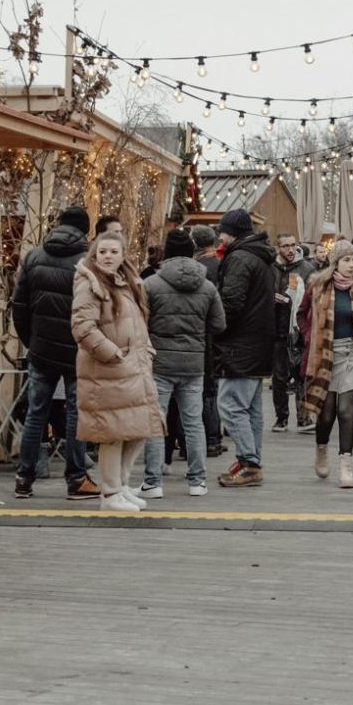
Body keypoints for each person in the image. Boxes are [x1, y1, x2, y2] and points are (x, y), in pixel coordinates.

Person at [10, 205, 99, 502]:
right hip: (78, 350)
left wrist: (30, 340)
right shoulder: (88, 261)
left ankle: (24, 478)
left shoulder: (33, 256)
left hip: (41, 349)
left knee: (36, 413)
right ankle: (75, 478)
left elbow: (19, 306)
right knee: (76, 412)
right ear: (86, 229)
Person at [71, 232, 163, 512]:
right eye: (102, 252)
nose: (107, 256)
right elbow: (82, 327)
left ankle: (121, 485)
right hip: (106, 370)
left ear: (123, 255)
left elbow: (137, 322)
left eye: (113, 251)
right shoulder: (89, 284)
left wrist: (146, 349)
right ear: (94, 254)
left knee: (137, 428)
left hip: (134, 367)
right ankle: (110, 494)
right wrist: (111, 352)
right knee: (112, 433)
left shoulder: (128, 283)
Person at [140, 228, 224, 499]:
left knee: (156, 421)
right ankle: (197, 481)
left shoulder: (151, 284)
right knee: (193, 423)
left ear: (167, 252)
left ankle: (152, 482)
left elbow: (139, 322)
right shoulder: (208, 286)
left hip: (160, 362)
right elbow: (219, 324)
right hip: (193, 363)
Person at [298, 241, 353, 488]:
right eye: (345, 260)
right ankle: (321, 449)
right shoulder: (317, 286)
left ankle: (346, 466)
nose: (350, 265)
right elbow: (301, 314)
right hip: (325, 353)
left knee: (346, 410)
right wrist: (310, 335)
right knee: (326, 414)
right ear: (335, 262)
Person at [212, 209, 278, 487]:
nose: (220, 236)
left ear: (232, 232)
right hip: (260, 341)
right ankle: (250, 460)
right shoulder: (261, 257)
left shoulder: (239, 258)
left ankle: (250, 462)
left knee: (230, 404)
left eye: (222, 232)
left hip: (240, 343)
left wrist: (217, 329)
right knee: (250, 408)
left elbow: (231, 303)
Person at [271, 232, 316, 432]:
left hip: (299, 329)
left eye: (292, 245)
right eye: (285, 246)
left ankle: (303, 417)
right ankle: (281, 418)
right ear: (277, 248)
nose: (290, 249)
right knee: (279, 376)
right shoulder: (271, 268)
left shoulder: (306, 268)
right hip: (277, 328)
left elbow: (315, 296)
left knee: (301, 374)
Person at [192, 224, 226, 458]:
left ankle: (210, 437)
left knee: (205, 389)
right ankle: (215, 435)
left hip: (203, 332)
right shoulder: (222, 264)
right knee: (212, 387)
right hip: (219, 330)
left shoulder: (199, 268)